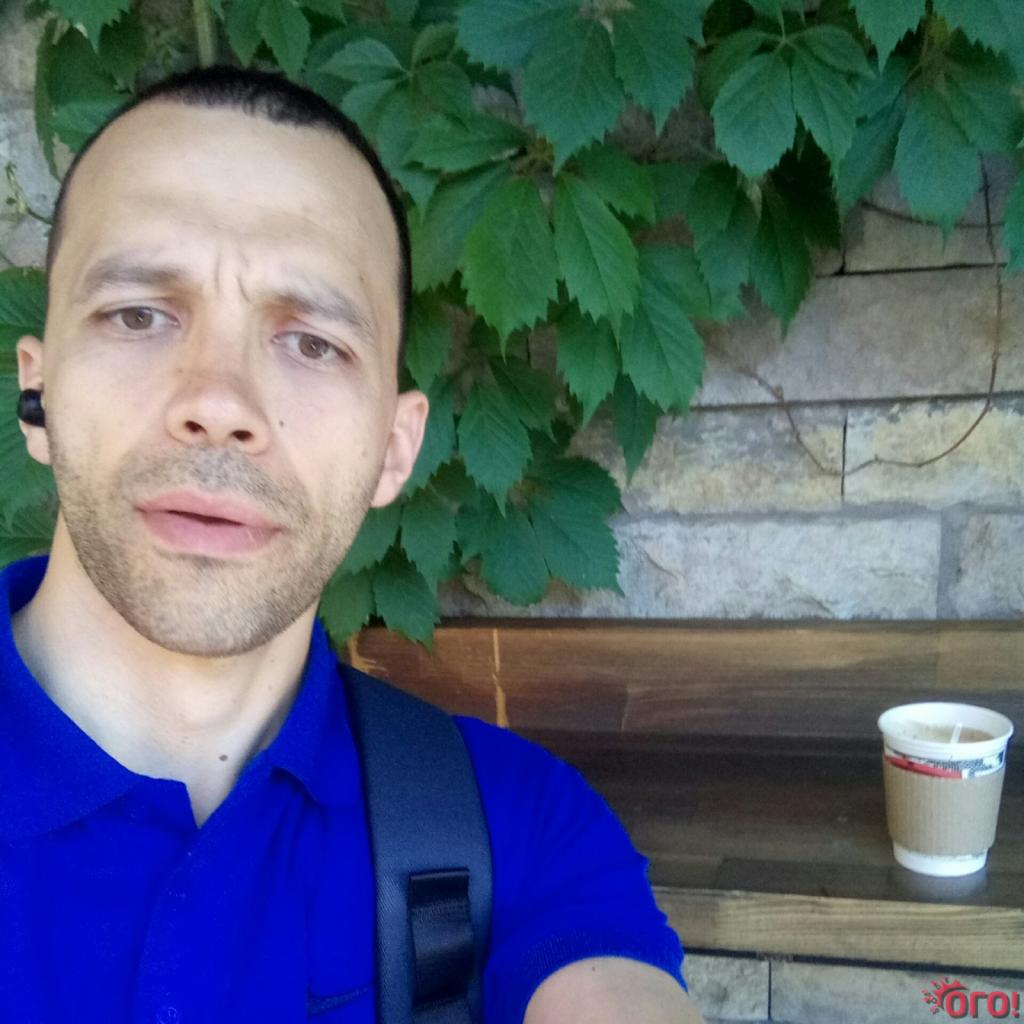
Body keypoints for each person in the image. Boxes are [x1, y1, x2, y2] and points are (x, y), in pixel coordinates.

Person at [3, 64, 706, 1023]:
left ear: (394, 449)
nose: (218, 402)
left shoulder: (517, 833)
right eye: (138, 314)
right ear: (38, 393)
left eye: (312, 342)